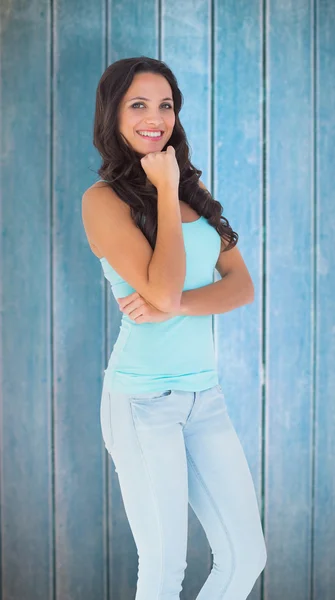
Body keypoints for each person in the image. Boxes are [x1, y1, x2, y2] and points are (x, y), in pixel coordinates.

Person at [81, 56, 267, 599]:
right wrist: (162, 188)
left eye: (165, 104)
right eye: (138, 104)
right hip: (141, 403)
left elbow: (241, 286)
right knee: (164, 569)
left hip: (203, 398)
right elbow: (162, 288)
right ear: (113, 115)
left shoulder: (194, 197)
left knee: (245, 557)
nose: (154, 117)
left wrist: (174, 306)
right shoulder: (103, 202)